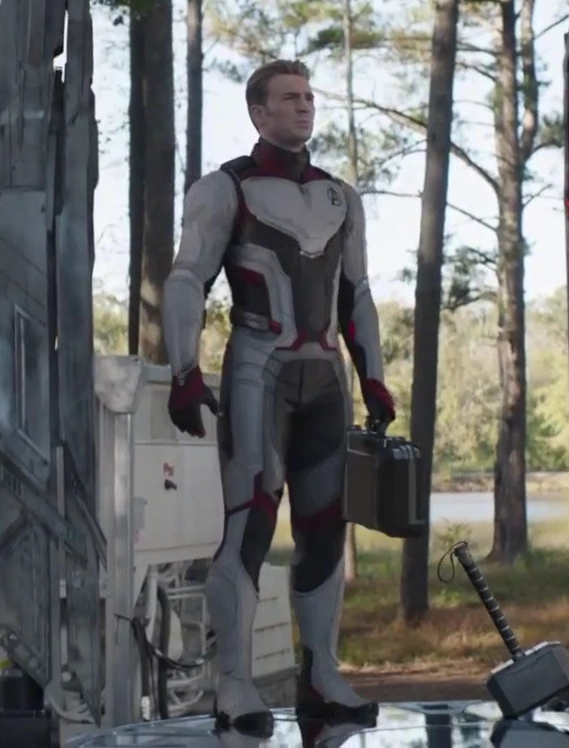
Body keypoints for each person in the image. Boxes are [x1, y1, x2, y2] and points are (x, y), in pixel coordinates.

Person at [162, 58, 397, 736]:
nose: (304, 106)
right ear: (258, 113)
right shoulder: (224, 189)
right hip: (257, 375)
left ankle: (321, 674)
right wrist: (184, 371)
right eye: (290, 97)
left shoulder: (339, 198)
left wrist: (374, 375)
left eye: (309, 96)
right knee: (249, 527)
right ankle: (233, 684)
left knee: (325, 529)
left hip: (326, 382)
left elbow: (357, 294)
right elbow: (187, 279)